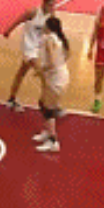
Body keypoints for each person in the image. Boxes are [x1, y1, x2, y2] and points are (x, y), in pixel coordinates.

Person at [4, 0, 56, 112]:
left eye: (53, 5)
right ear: (44, 4)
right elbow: (18, 20)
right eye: (50, 5)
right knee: (44, 76)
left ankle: (11, 99)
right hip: (28, 47)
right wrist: (8, 31)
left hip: (38, 48)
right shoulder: (33, 12)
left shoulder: (51, 15)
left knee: (21, 73)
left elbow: (51, 30)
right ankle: (48, 104)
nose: (52, 7)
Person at [33, 17, 70, 153]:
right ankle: (47, 131)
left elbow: (52, 62)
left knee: (49, 109)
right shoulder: (59, 38)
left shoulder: (49, 39)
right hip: (59, 75)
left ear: (48, 27)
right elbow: (67, 56)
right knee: (42, 102)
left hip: (56, 79)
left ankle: (53, 141)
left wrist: (40, 70)